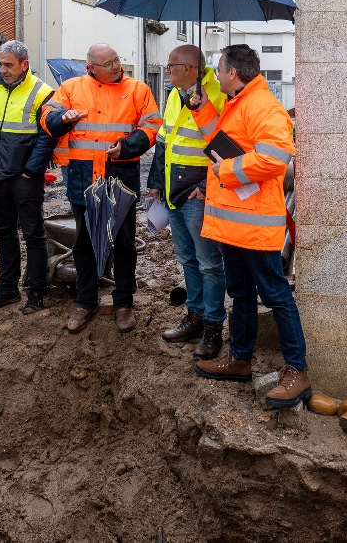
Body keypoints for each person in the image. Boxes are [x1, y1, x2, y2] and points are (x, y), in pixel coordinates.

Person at [188, 44, 310, 408]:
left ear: (233, 74)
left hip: (255, 226)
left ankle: (297, 372)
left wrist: (225, 171)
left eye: (219, 69)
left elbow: (275, 158)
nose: (217, 75)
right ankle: (240, 359)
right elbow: (222, 140)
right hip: (235, 225)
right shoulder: (238, 102)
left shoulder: (263, 105)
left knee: (276, 296)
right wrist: (201, 109)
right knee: (240, 294)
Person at [42, 43, 162, 334]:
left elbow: (152, 126)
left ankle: (123, 303)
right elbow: (47, 118)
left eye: (117, 60)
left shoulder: (138, 89)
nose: (116, 66)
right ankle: (86, 301)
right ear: (91, 68)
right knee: (84, 242)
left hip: (120, 173)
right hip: (83, 177)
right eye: (108, 63)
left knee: (123, 242)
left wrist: (129, 146)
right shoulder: (71, 88)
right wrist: (62, 119)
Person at [147, 45, 227, 360]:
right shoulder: (173, 95)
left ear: (190, 68)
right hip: (173, 190)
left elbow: (226, 144)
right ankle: (194, 315)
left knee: (209, 263)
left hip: (198, 193)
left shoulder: (216, 95)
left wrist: (209, 185)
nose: (167, 71)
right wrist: (156, 182)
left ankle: (212, 326)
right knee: (188, 259)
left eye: (171, 66)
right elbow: (165, 140)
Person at [0, 40, 57, 316]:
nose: (3, 69)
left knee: (33, 233)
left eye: (9, 64)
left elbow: (47, 137)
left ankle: (36, 290)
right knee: (4, 232)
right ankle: (7, 288)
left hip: (24, 177)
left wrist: (31, 170)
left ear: (24, 65)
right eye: (1, 64)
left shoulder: (42, 92)